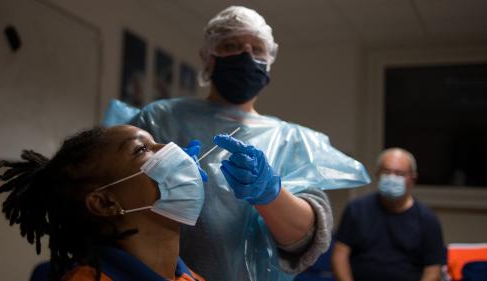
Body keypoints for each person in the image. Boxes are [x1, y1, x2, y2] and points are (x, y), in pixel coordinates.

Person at [105, 6, 370, 281]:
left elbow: (304, 240)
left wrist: (269, 193)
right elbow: (113, 195)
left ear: (268, 60)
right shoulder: (160, 119)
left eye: (257, 48)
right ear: (208, 58)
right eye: (231, 45)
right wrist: (161, 183)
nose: (246, 55)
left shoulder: (293, 140)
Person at [0, 125, 206, 281]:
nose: (170, 148)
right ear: (104, 203)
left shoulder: (191, 278)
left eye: (155, 142)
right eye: (141, 149)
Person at [331, 147, 446, 281]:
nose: (392, 178)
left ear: (413, 178)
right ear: (377, 174)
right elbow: (340, 255)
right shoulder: (356, 209)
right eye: (386, 172)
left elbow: (433, 270)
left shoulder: (427, 219)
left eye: (400, 174)